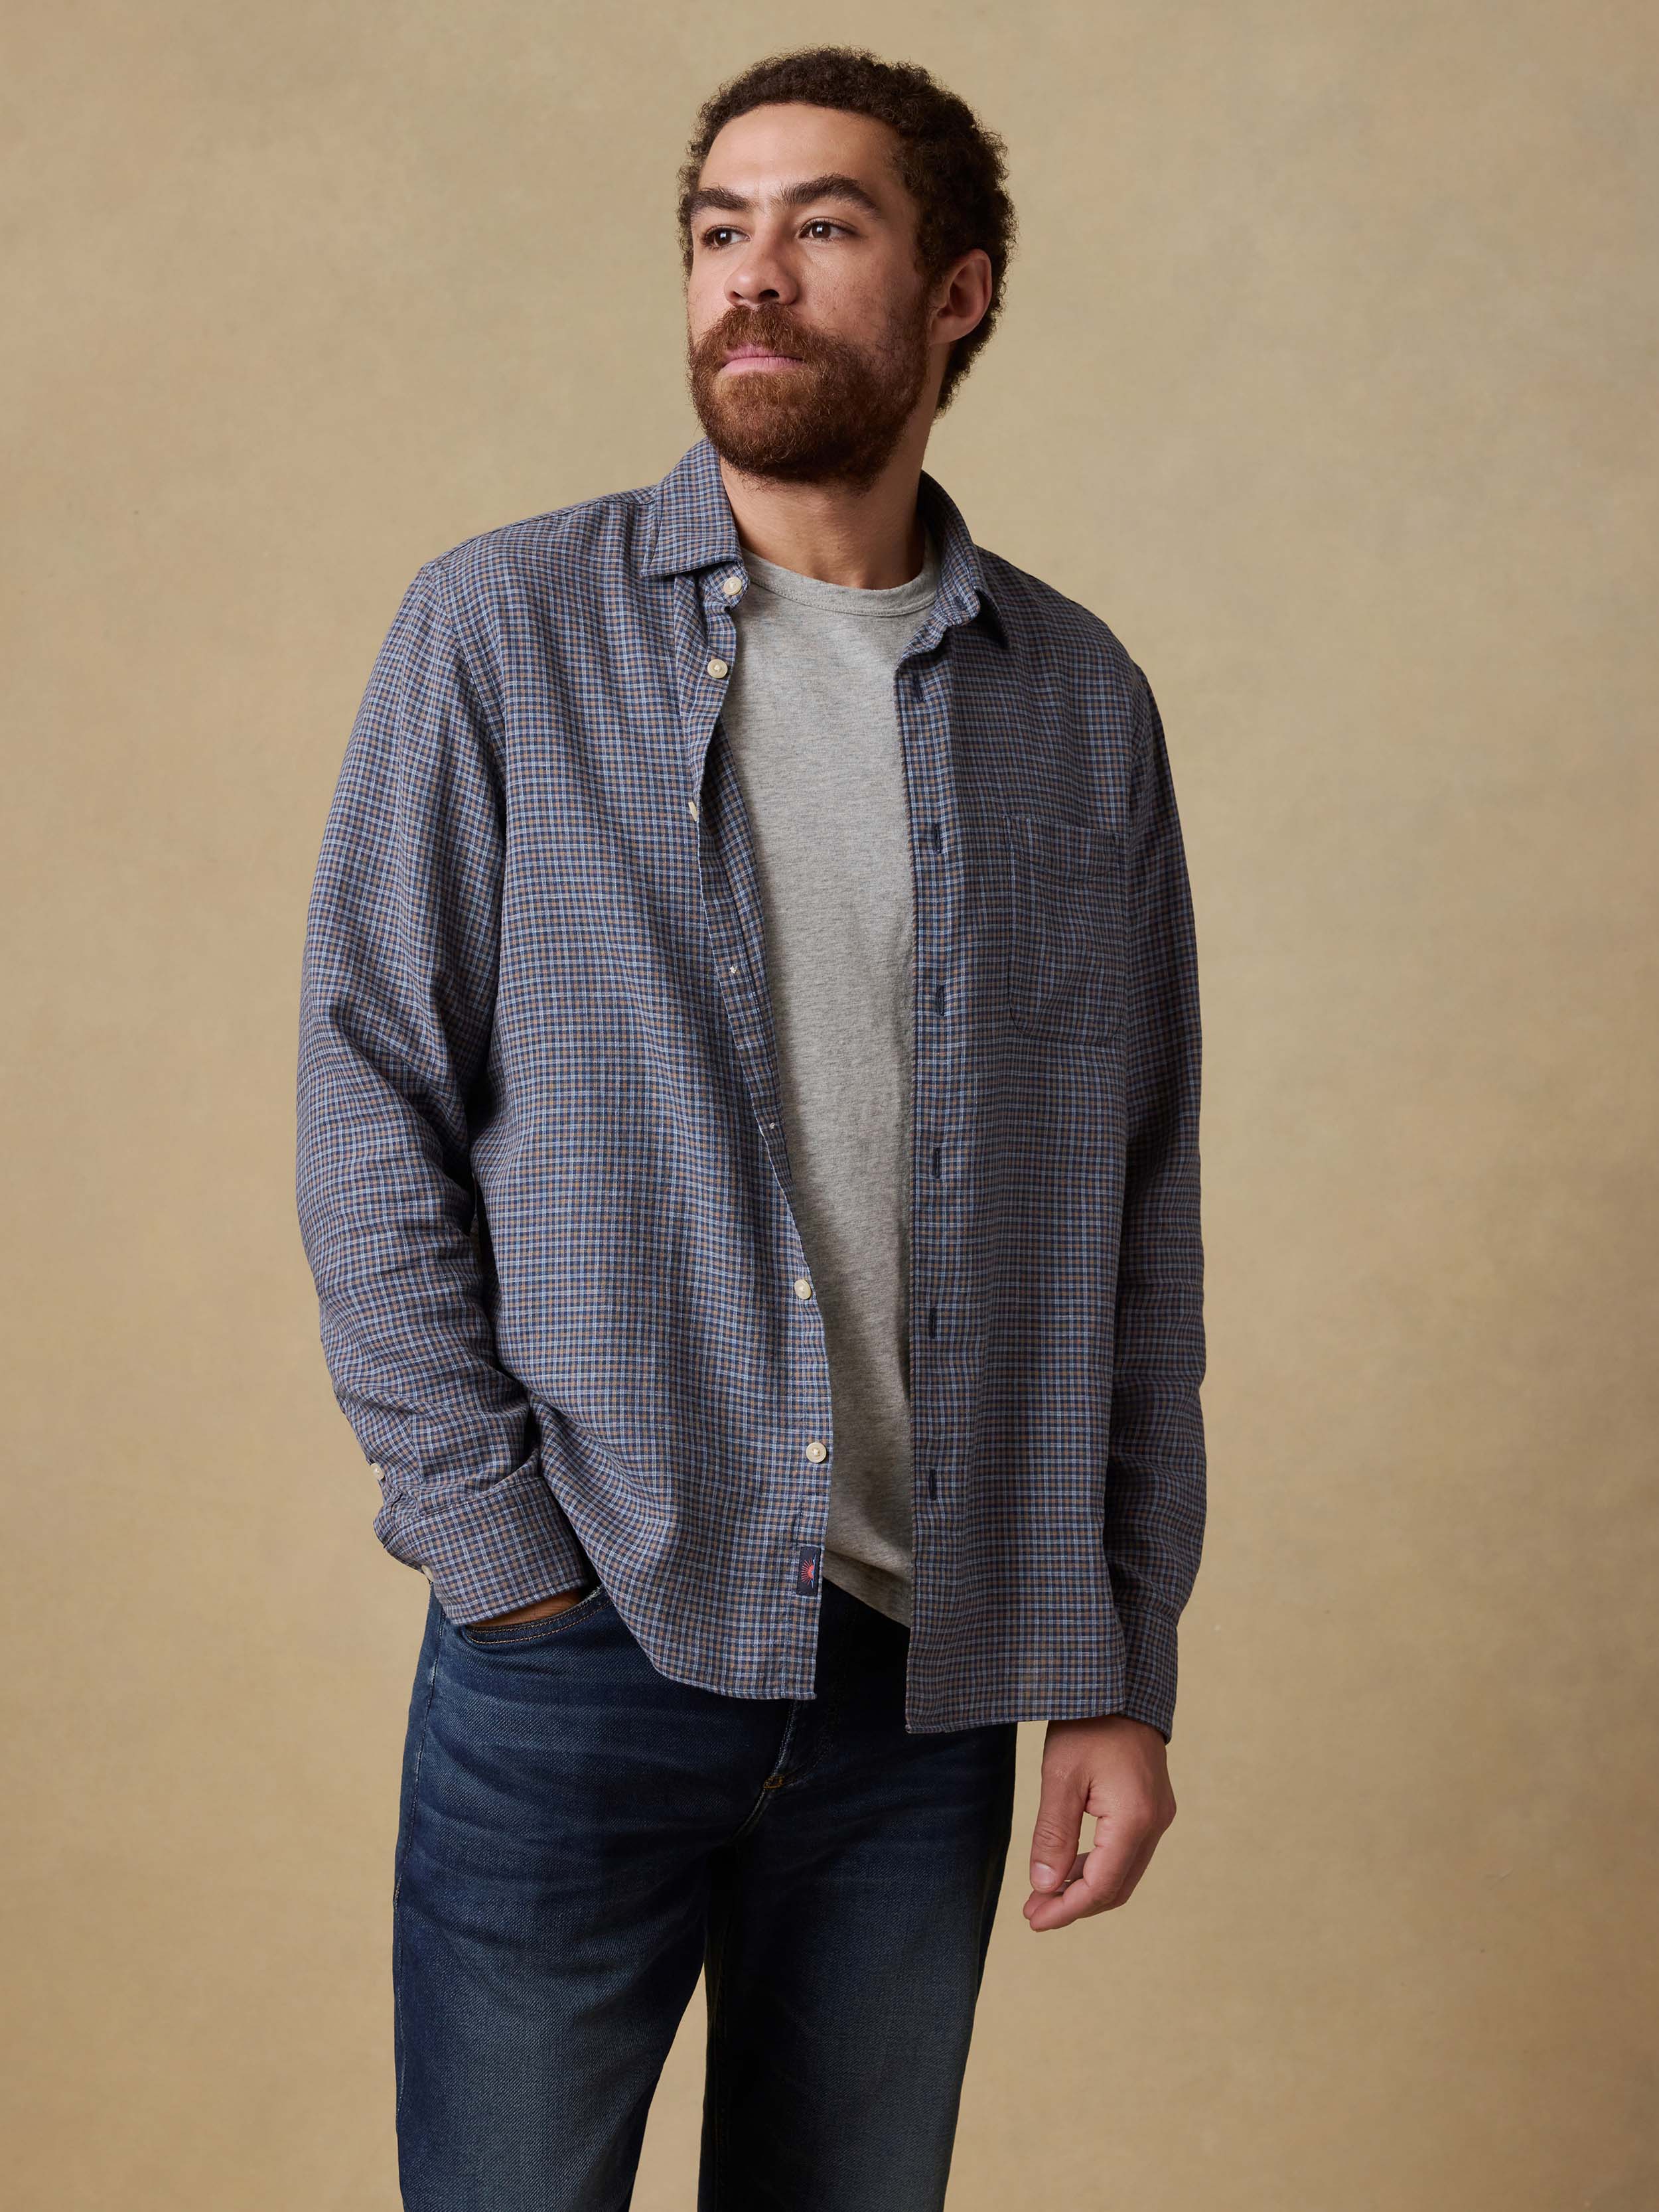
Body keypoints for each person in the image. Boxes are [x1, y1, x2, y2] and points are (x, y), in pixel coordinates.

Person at [296, 43, 1206, 2212]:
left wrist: (1113, 1664)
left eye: (824, 227)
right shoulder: (499, 632)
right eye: (720, 230)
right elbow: (368, 1088)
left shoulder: (1074, 703)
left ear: (955, 293)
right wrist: (502, 1557)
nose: (753, 281)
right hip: (586, 1639)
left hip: (928, 1691)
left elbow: (1139, 1216)